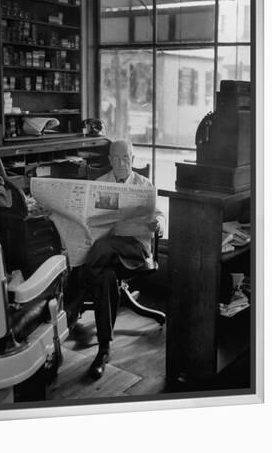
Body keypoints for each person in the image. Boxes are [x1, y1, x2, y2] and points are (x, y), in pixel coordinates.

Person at [83, 139, 165, 380]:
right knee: (105, 273)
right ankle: (104, 349)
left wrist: (157, 224)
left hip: (136, 249)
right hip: (108, 252)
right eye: (116, 159)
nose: (121, 163)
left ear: (133, 160)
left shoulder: (144, 184)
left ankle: (77, 294)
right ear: (109, 160)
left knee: (101, 249)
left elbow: (159, 215)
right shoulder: (100, 184)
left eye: (126, 158)